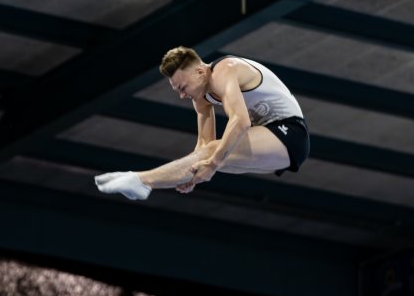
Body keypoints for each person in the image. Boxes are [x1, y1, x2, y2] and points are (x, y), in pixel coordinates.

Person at [94, 47, 309, 199]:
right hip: (272, 141)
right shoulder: (200, 97)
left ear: (199, 72)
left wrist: (213, 163)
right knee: (210, 152)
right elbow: (203, 148)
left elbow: (241, 121)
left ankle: (141, 180)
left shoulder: (225, 70)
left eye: (183, 87)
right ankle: (143, 183)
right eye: (177, 90)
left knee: (216, 153)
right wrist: (192, 178)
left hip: (290, 133)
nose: (182, 95)